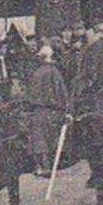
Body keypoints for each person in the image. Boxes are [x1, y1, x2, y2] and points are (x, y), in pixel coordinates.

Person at [25, 43, 70, 176]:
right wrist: (66, 108)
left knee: (38, 136)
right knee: (48, 136)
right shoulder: (53, 72)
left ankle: (41, 165)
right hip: (52, 110)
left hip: (40, 110)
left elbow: (31, 94)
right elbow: (61, 92)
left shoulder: (38, 72)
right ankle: (49, 164)